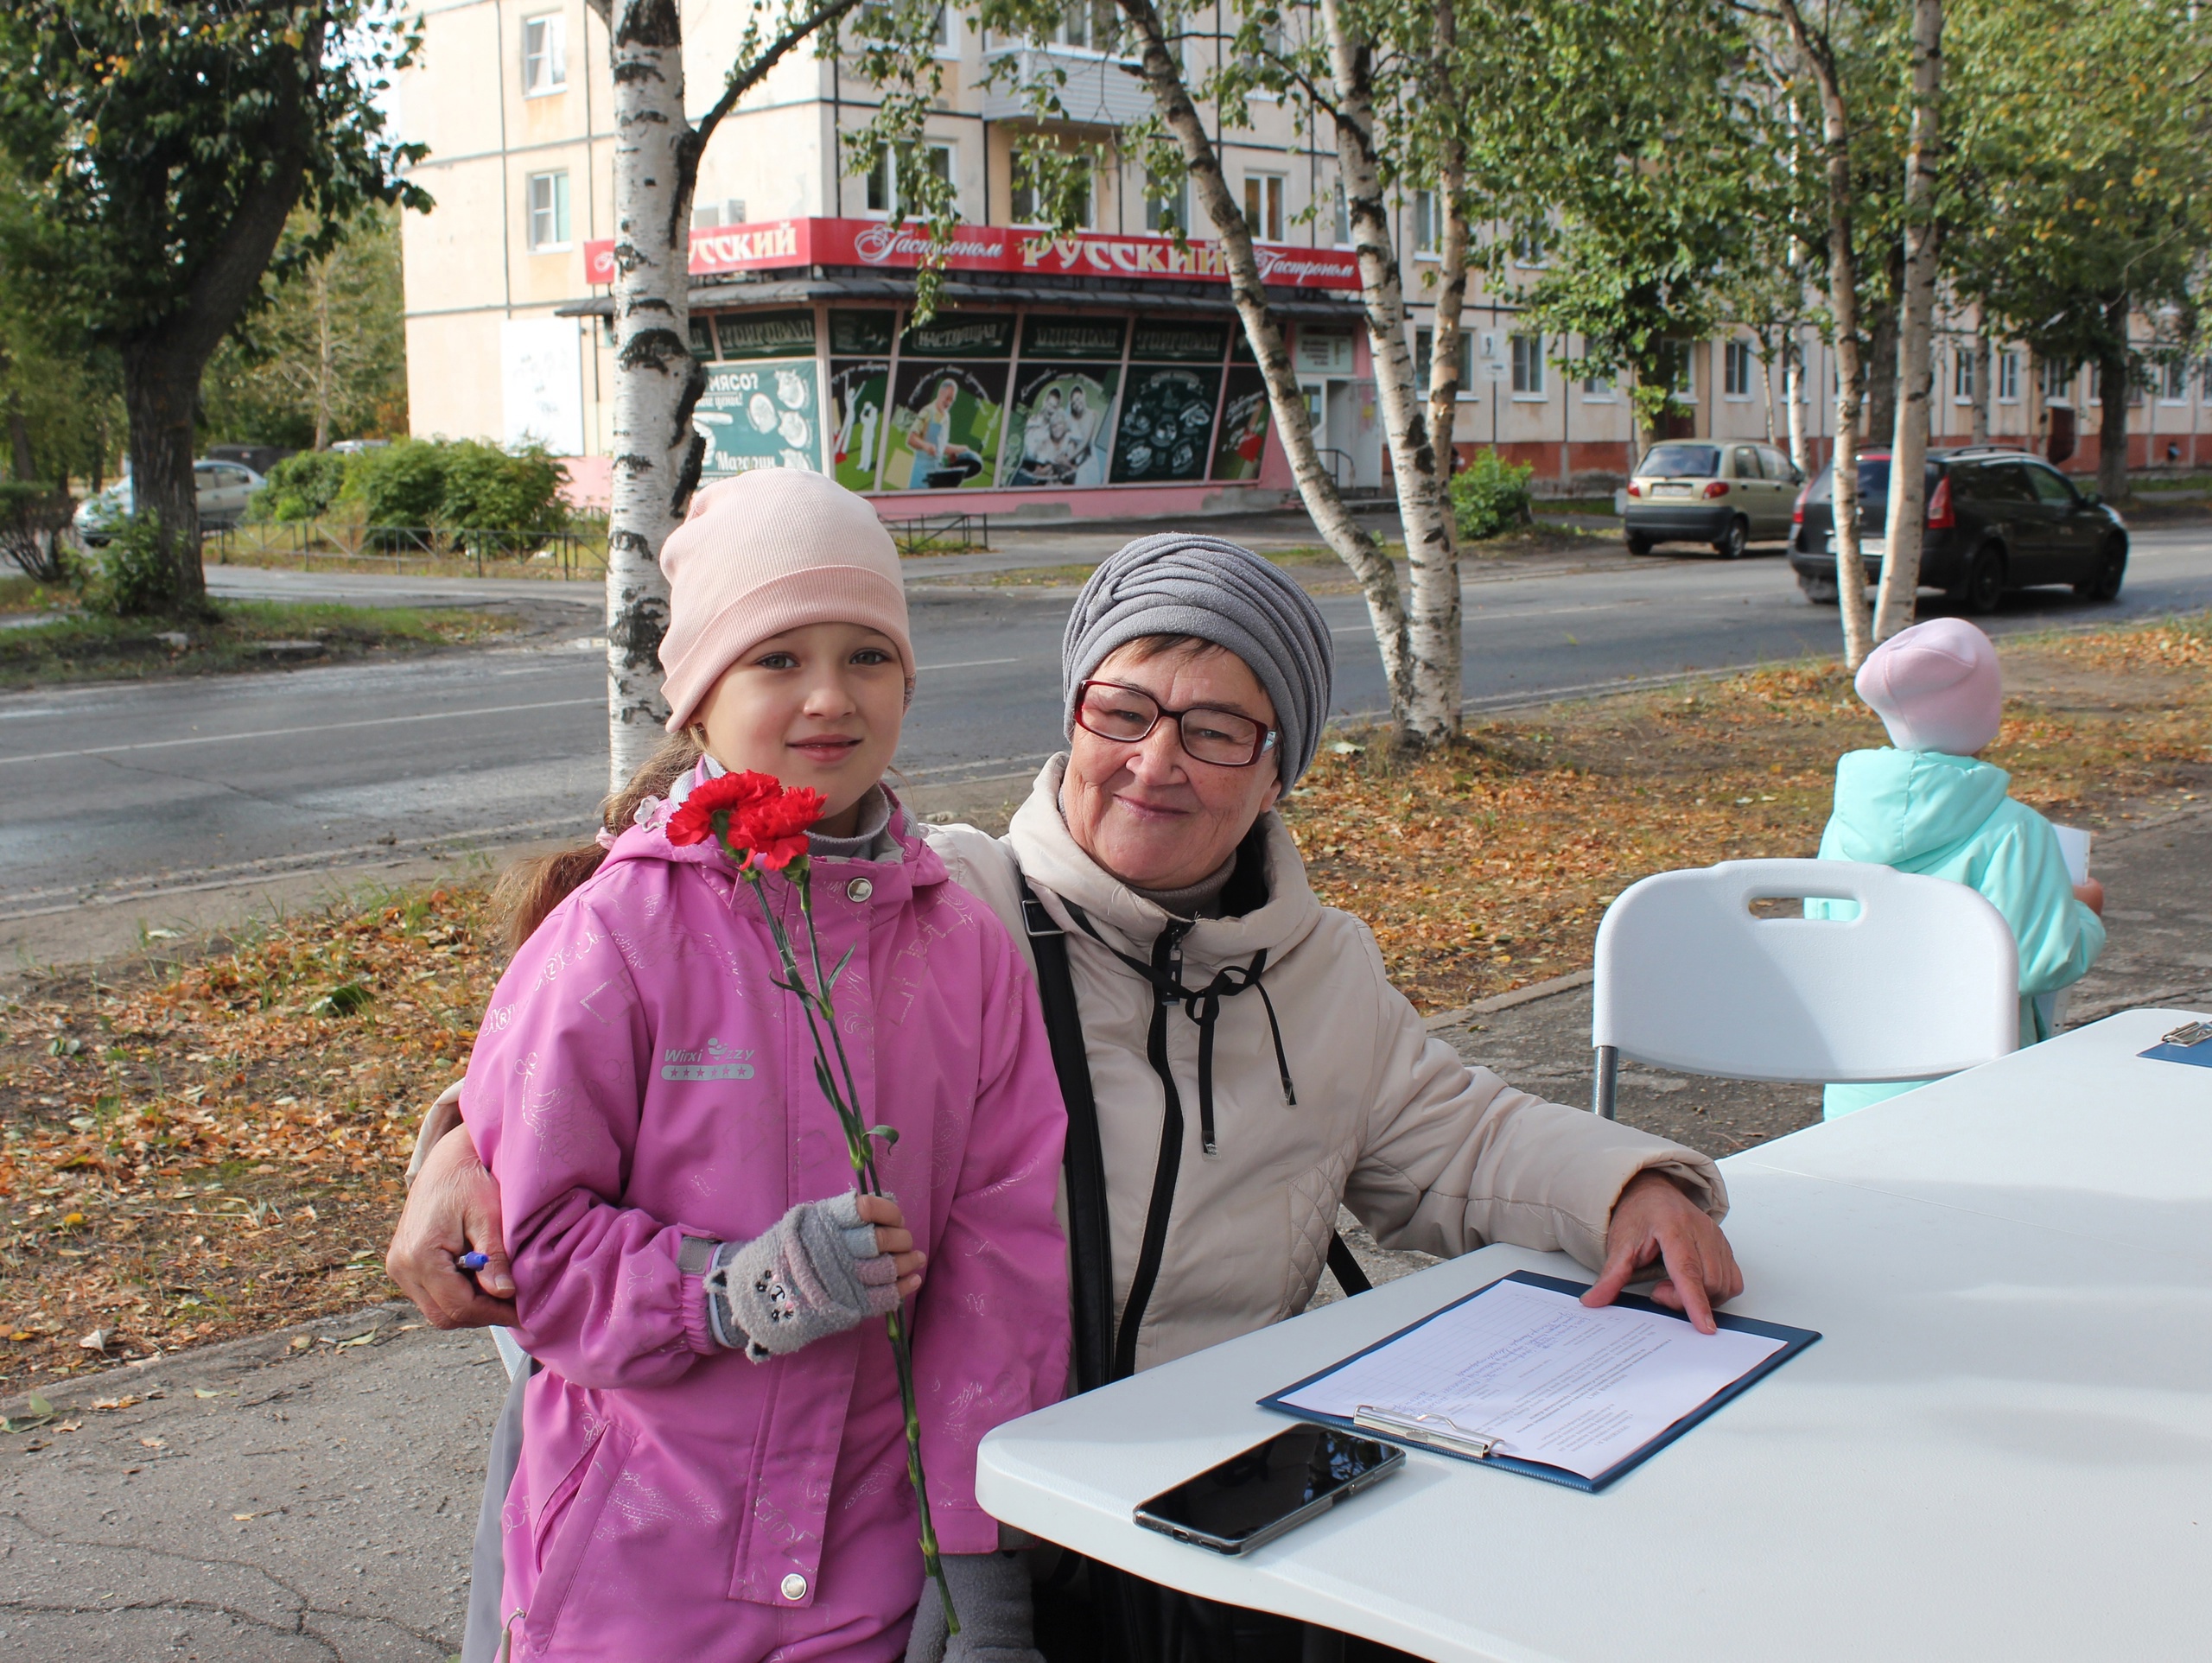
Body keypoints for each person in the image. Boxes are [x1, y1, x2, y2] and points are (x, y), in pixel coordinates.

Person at [394, 533, 1741, 1662]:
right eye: (1125, 711)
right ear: (1073, 716)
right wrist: (454, 1147)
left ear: (1281, 769)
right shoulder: (954, 909)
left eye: (1218, 729)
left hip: (1206, 1499)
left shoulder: (1322, 970)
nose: (1158, 762)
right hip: (981, 1505)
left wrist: (1634, 1182)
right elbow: (647, 1024)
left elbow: (1460, 1132)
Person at [454, 469, 1070, 1661]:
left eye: (868, 656)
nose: (830, 696)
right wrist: (730, 1287)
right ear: (698, 697)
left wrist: (981, 1578)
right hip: (635, 1572)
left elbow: (1001, 1288)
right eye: (778, 658)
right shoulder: (614, 941)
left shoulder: (966, 955)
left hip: (871, 1574)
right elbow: (521, 1252)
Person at [1812, 617, 2107, 1118]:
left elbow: (1824, 935)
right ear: (1985, 712)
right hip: (1974, 1088)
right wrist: (2083, 913)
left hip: (1857, 1084)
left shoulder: (1844, 822)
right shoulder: (2015, 829)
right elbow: (2036, 963)